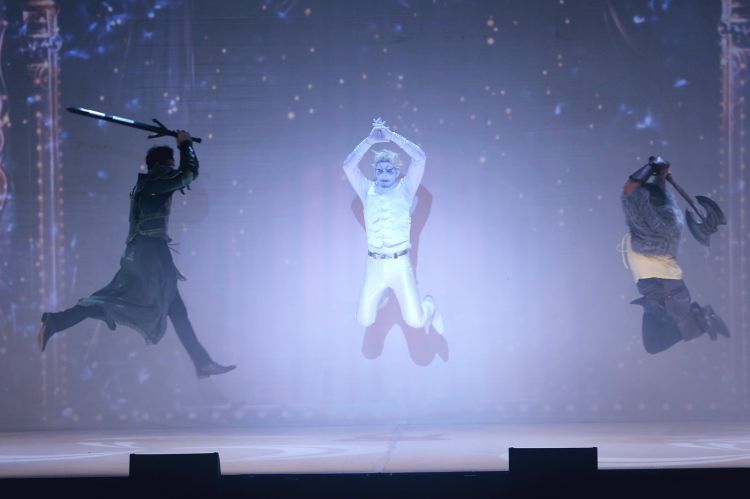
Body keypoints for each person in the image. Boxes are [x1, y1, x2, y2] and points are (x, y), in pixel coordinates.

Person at [37, 130, 236, 379]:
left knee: (175, 310)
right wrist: (185, 145)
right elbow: (188, 174)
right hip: (152, 255)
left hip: (147, 252)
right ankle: (57, 321)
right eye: (170, 164)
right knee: (121, 301)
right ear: (163, 165)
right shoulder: (155, 183)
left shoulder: (146, 185)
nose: (172, 169)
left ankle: (202, 362)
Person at [343, 118, 444, 335]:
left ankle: (430, 307)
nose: (384, 175)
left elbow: (420, 158)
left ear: (397, 171)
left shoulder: (405, 189)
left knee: (416, 321)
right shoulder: (366, 190)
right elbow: (348, 166)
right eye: (380, 170)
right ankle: (383, 293)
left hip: (400, 264)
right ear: (375, 172)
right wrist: (370, 141)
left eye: (389, 170)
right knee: (363, 320)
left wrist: (391, 137)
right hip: (375, 263)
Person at [621, 156, 729, 354]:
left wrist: (652, 167)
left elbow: (630, 190)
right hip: (663, 292)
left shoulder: (653, 227)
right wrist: (659, 175)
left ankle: (702, 319)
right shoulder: (659, 222)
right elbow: (644, 195)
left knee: (653, 344)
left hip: (663, 294)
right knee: (653, 344)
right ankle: (702, 319)